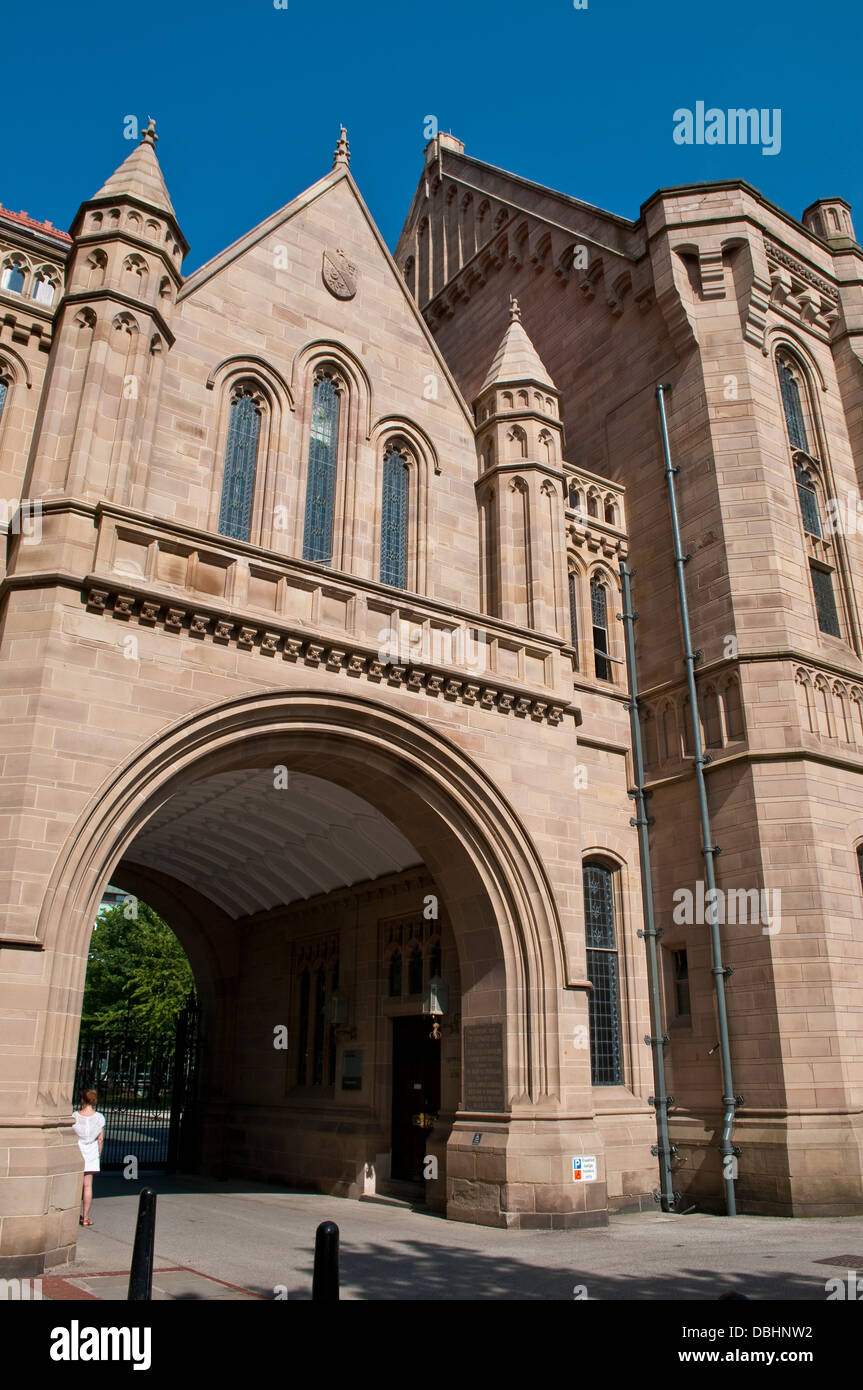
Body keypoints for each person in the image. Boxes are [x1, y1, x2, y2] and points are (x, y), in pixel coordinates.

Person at [72, 1089, 106, 1226]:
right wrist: (98, 1153)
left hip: (77, 1149)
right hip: (91, 1150)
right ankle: (85, 1217)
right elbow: (100, 1139)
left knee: (75, 1185)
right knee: (87, 1186)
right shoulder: (99, 1118)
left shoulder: (75, 1116)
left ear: (82, 1100)